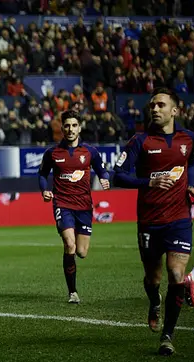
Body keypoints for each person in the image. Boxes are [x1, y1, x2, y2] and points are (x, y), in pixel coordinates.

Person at [113, 88, 194, 356]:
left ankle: (168, 335)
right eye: (152, 105)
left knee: (175, 274)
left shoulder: (189, 139)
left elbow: (192, 163)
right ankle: (154, 302)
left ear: (174, 110)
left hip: (179, 218)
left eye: (161, 105)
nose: (154, 108)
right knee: (153, 278)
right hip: (149, 221)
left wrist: (192, 185)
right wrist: (148, 181)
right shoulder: (139, 142)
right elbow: (118, 176)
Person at [38, 110, 111, 304]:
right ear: (62, 128)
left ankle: (72, 267)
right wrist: (44, 190)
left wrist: (105, 179)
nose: (70, 129)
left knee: (81, 252)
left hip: (84, 206)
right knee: (69, 244)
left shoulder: (90, 152)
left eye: (74, 125)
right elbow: (42, 174)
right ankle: (72, 292)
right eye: (67, 126)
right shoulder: (53, 153)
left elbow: (102, 170)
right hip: (63, 204)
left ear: (80, 128)